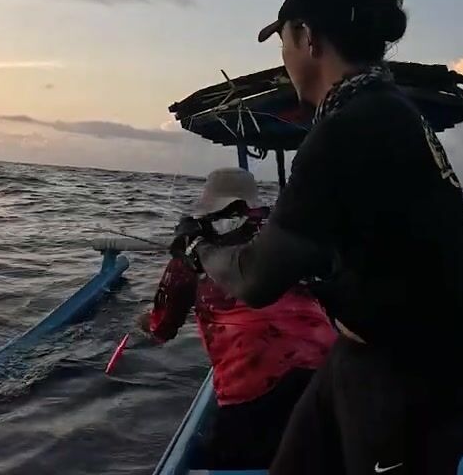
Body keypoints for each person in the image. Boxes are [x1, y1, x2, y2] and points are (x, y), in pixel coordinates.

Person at [187, 0, 463, 474]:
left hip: (409, 377)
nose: (283, 59)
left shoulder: (349, 128)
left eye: (283, 41)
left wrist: (200, 250)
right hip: (362, 348)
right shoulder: (389, 110)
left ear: (307, 37)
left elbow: (255, 279)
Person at [137, 167, 336, 470]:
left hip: (251, 395)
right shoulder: (287, 238)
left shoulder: (191, 254)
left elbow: (162, 328)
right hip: (327, 381)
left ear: (207, 202)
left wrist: (143, 323)